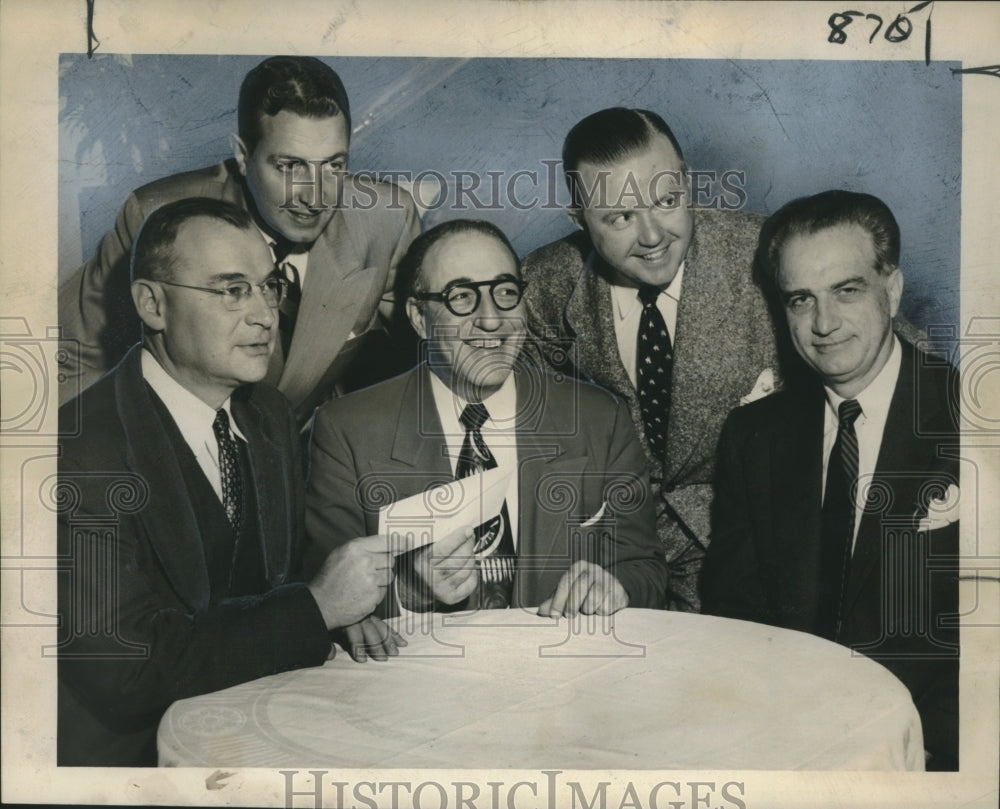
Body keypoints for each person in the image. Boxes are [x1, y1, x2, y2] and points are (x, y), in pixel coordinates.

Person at [57, 198, 408, 767]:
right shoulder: (77, 454)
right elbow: (128, 667)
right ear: (152, 304)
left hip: (261, 728)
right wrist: (315, 608)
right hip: (132, 766)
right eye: (231, 290)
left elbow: (277, 579)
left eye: (268, 287)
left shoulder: (265, 413)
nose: (266, 315)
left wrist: (338, 613)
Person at [700, 190, 960, 769]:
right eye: (800, 300)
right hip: (781, 744)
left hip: (932, 754)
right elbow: (733, 615)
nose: (824, 323)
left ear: (891, 289)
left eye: (847, 290)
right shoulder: (753, 436)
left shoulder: (974, 420)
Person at [306, 219, 668, 615]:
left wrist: (616, 587)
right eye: (461, 297)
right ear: (417, 316)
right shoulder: (346, 430)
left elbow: (644, 570)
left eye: (506, 292)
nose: (492, 319)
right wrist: (407, 592)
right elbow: (323, 600)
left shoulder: (601, 418)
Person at [58, 55, 419, 425]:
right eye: (291, 166)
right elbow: (75, 355)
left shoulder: (385, 220)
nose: (316, 198)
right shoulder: (155, 216)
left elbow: (424, 351)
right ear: (243, 156)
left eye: (334, 166)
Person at [521, 107, 780, 611]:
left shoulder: (769, 253)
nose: (653, 235)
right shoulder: (542, 286)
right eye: (619, 217)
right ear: (579, 221)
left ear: (688, 182)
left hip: (756, 551)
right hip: (606, 563)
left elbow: (897, 359)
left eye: (667, 200)